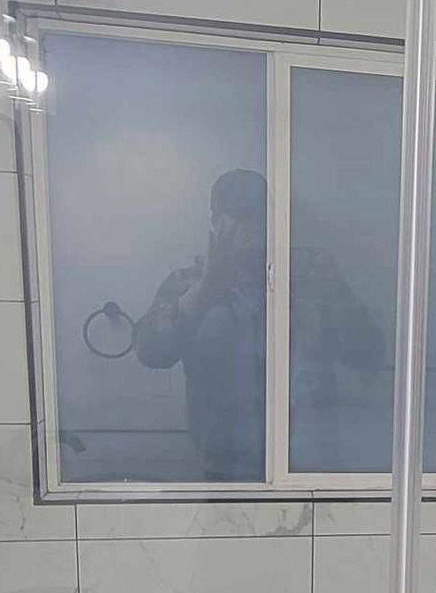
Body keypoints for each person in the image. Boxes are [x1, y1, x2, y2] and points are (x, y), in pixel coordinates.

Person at [132, 169, 387, 479]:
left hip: (311, 468)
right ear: (215, 224)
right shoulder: (188, 285)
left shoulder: (310, 276)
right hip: (224, 473)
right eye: (240, 216)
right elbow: (151, 352)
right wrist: (208, 285)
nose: (254, 226)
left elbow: (370, 354)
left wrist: (331, 292)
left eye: (261, 215)